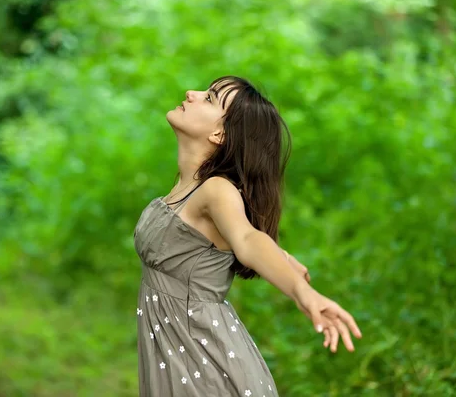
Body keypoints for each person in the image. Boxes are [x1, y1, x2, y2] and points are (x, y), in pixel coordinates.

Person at [133, 75, 362, 396]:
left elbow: (246, 239)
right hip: (178, 354)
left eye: (210, 98)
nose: (192, 93)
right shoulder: (186, 189)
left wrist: (302, 293)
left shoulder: (215, 190)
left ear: (219, 134)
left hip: (204, 364)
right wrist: (283, 258)